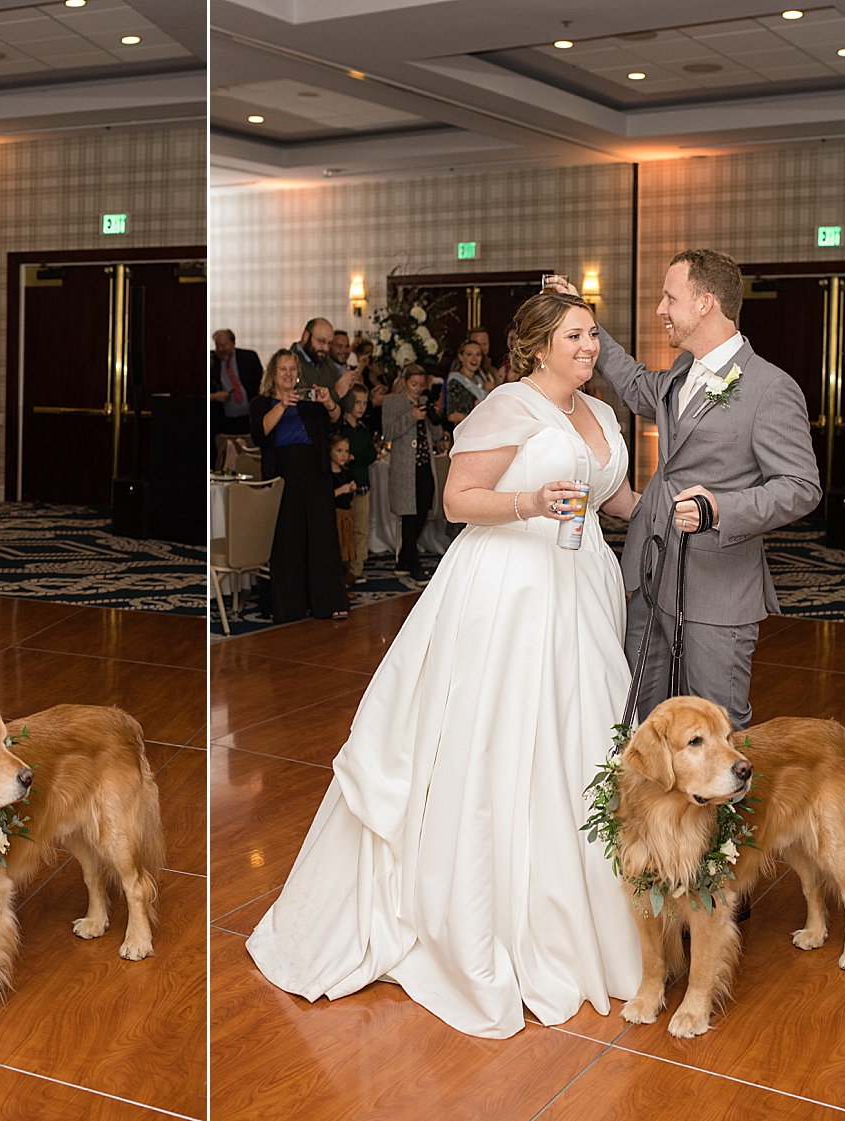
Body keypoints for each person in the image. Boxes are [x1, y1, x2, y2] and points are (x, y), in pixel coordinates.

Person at [248, 291, 645, 1039]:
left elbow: (615, 495)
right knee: (502, 736)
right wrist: (530, 499)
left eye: (593, 334)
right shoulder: (507, 406)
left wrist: (673, 510)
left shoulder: (602, 415)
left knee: (585, 732)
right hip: (510, 589)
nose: (591, 346)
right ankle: (494, 911)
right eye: (576, 335)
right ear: (536, 347)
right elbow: (460, 501)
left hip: (584, 584)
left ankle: (593, 912)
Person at [550, 250, 820, 730]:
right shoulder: (680, 372)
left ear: (705, 304)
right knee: (637, 718)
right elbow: (633, 382)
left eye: (669, 298)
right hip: (651, 575)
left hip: (718, 590)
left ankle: (717, 810)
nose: (660, 309)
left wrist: (722, 508)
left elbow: (801, 488)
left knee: (714, 728)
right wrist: (583, 313)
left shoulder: (770, 387)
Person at [249, 348, 348, 623]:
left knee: (322, 537)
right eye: (283, 369)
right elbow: (260, 433)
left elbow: (336, 420)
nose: (289, 374)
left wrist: (328, 401)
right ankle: (289, 606)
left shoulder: (310, 402)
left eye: (293, 369)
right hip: (283, 474)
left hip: (315, 473)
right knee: (287, 539)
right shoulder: (261, 402)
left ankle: (328, 602)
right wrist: (282, 405)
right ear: (273, 373)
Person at [383, 365, 444, 582]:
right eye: (413, 384)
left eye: (421, 384)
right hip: (404, 468)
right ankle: (413, 563)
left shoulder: (425, 401)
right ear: (404, 382)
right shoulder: (392, 402)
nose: (418, 389)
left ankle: (403, 561)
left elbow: (436, 435)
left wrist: (433, 416)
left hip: (425, 465)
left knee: (423, 512)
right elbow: (387, 432)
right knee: (408, 515)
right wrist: (411, 416)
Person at [338, 386, 377, 584]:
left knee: (361, 527)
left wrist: (354, 457)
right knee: (344, 526)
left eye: (364, 403)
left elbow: (372, 454)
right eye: (357, 402)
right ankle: (343, 565)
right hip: (343, 485)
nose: (361, 407)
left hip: (361, 484)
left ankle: (357, 567)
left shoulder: (363, 429)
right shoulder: (340, 428)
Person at [293, 317, 354, 416]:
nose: (325, 348)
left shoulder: (327, 363)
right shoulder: (289, 362)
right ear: (306, 336)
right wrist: (336, 394)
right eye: (321, 341)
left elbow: (349, 405)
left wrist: (346, 386)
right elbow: (305, 407)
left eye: (329, 344)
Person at [210, 328, 257, 441]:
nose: (220, 349)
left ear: (233, 343)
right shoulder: (211, 361)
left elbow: (260, 385)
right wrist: (215, 396)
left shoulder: (249, 358)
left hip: (248, 419)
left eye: (224, 345)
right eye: (218, 346)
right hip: (223, 422)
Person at [329, 432, 358, 585]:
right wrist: (342, 490)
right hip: (335, 515)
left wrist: (351, 488)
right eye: (339, 451)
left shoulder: (346, 472)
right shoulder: (327, 475)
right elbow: (326, 496)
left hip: (346, 514)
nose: (343, 455)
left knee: (345, 548)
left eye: (346, 451)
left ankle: (343, 583)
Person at [446, 340, 489, 427]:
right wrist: (475, 421)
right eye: (469, 354)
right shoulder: (455, 381)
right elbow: (452, 415)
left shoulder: (480, 380)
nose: (474, 359)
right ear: (461, 357)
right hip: (466, 433)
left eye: (478, 354)